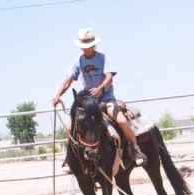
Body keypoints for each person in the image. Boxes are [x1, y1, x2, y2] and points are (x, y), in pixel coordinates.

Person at [53, 28, 147, 166]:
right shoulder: (79, 61)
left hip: (106, 99)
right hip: (89, 103)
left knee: (121, 120)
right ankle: (71, 157)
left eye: (88, 46)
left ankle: (135, 148)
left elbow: (109, 77)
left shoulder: (103, 58)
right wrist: (58, 95)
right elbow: (69, 80)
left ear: (93, 45)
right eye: (83, 47)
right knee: (70, 127)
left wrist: (100, 88)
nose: (85, 49)